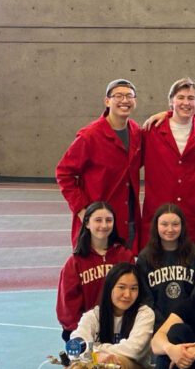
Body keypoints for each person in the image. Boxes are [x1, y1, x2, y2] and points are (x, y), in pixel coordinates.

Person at [37, 262, 154, 369]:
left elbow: (134, 349)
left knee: (114, 363)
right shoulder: (94, 315)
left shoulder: (145, 314)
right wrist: (95, 355)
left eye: (133, 288)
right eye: (121, 287)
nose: (127, 294)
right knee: (78, 364)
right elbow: (76, 346)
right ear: (110, 287)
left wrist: (98, 351)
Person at [56, 79, 142, 247]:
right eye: (118, 95)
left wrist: (166, 114)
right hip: (98, 225)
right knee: (96, 271)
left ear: (135, 101)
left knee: (125, 271)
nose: (124, 100)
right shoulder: (90, 136)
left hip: (128, 222)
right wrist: (82, 210)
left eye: (129, 96)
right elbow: (63, 173)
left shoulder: (136, 132)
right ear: (107, 101)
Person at [140, 78, 195, 249]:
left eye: (191, 98)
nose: (186, 102)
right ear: (171, 101)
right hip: (157, 217)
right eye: (181, 97)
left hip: (192, 219)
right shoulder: (151, 131)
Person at [56, 201, 135, 340]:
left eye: (109, 220)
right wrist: (80, 333)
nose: (104, 225)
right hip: (88, 332)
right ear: (87, 223)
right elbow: (67, 305)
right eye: (98, 220)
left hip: (121, 332)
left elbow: (133, 293)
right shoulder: (75, 262)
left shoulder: (124, 256)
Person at [136, 203, 195, 328]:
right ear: (156, 226)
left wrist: (183, 318)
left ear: (182, 226)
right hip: (155, 324)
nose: (170, 229)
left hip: (187, 323)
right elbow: (145, 298)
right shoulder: (145, 257)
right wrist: (161, 323)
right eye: (164, 224)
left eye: (175, 224)